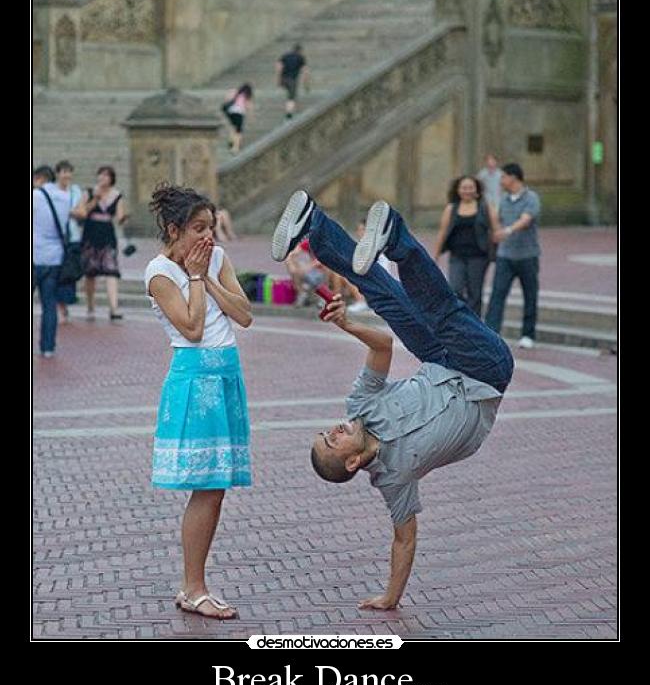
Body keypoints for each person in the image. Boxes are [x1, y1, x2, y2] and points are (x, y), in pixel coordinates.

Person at [271, 190, 514, 610]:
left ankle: (315, 225)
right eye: (332, 440)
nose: (333, 429)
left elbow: (382, 346)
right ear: (352, 462)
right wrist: (390, 598)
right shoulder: (395, 479)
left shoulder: (360, 407)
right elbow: (404, 538)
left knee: (386, 297)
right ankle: (396, 235)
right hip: (485, 374)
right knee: (441, 311)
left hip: (439, 361)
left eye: (324, 432)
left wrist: (347, 325)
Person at [145, 183, 253, 619]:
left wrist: (206, 276)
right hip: (193, 378)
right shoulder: (158, 272)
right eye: (197, 228)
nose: (208, 236)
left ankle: (194, 586)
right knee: (206, 488)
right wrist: (193, 278)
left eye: (211, 226)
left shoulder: (216, 260)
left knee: (216, 488)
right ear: (174, 229)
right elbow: (190, 328)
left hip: (226, 373)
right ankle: (193, 587)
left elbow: (244, 314)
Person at [484, 163, 541, 350]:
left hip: (527, 255)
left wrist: (506, 231)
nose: (501, 181)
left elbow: (526, 220)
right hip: (505, 256)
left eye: (503, 177)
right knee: (497, 295)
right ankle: (492, 333)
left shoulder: (531, 198)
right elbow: (497, 222)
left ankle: (527, 334)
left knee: (530, 294)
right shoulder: (504, 200)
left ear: (514, 177)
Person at [432, 176, 498, 317]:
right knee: (455, 288)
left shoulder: (485, 207)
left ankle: (475, 325)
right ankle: (461, 320)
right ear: (458, 190)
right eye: (464, 187)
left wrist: (498, 250)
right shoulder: (451, 208)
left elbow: (496, 230)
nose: (467, 191)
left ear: (476, 190)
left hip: (479, 257)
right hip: (457, 256)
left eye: (470, 187)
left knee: (475, 292)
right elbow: (442, 232)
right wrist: (435, 255)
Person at [79, 165, 127, 321]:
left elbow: (119, 216)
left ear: (111, 178)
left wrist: (123, 218)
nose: (102, 178)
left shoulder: (117, 195)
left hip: (107, 234)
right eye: (100, 175)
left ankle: (114, 308)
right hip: (90, 233)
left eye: (106, 175)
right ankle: (90, 306)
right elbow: (83, 212)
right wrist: (96, 199)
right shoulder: (89, 192)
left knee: (111, 271)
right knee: (90, 273)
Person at [33, 167, 72, 357]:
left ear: (39, 178)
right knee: (49, 304)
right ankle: (48, 347)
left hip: (35, 255)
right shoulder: (65, 198)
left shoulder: (35, 196)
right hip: (55, 258)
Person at [52, 160, 85, 323]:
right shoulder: (51, 191)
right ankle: (60, 307)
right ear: (57, 173)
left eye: (68, 171)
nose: (66, 175)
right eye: (63, 171)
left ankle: (64, 303)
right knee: (57, 273)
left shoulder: (75, 191)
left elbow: (82, 212)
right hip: (54, 239)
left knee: (69, 273)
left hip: (72, 237)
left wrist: (67, 211)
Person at [285, 237, 327, 307]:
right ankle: (302, 293)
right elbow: (293, 254)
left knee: (327, 268)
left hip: (326, 270)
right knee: (294, 265)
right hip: (313, 270)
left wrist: (307, 267)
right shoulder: (309, 242)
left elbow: (323, 260)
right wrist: (290, 264)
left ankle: (323, 297)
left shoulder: (326, 243)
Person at [275, 44, 310, 119]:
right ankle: (289, 114)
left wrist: (278, 79)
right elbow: (305, 72)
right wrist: (306, 85)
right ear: (300, 51)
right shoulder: (300, 58)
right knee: (291, 98)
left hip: (283, 78)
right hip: (292, 80)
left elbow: (279, 67)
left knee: (290, 94)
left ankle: (291, 109)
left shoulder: (285, 56)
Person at [221, 84, 254, 155]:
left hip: (230, 112)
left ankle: (231, 140)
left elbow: (226, 98)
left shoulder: (234, 92)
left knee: (233, 127)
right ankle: (235, 147)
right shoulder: (246, 96)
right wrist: (251, 116)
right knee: (239, 131)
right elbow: (248, 106)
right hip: (239, 113)